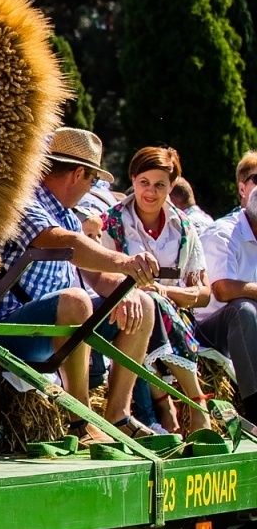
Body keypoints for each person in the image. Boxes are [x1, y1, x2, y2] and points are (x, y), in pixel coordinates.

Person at [0, 128, 158, 430]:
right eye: (93, 180)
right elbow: (58, 241)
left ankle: (117, 416)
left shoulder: (65, 213)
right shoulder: (23, 201)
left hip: (53, 327)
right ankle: (81, 421)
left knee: (142, 303)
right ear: (79, 173)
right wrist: (125, 262)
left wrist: (124, 290)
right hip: (6, 329)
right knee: (76, 300)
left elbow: (96, 275)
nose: (91, 188)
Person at [98, 147, 213, 433]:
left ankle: (169, 407)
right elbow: (101, 277)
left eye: (160, 185)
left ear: (172, 187)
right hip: (123, 311)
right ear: (133, 179)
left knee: (153, 303)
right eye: (144, 183)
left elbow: (203, 293)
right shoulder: (111, 223)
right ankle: (193, 403)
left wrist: (163, 291)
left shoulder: (184, 228)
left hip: (178, 319)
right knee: (144, 306)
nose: (150, 192)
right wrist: (148, 294)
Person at [195, 154, 257, 412]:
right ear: (243, 188)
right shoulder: (223, 232)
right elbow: (222, 290)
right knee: (242, 309)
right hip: (208, 333)